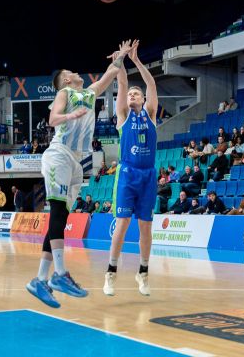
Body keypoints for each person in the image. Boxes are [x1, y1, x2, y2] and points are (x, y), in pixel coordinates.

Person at [25, 39, 132, 309]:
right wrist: (72, 117)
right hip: (59, 154)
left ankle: (40, 280)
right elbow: (53, 119)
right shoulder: (65, 93)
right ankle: (60, 274)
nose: (75, 73)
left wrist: (121, 56)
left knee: (60, 218)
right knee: (57, 213)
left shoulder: (90, 93)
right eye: (70, 73)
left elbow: (110, 73)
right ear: (65, 80)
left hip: (75, 161)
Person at [104, 39, 158, 297]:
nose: (132, 95)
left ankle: (143, 272)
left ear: (144, 99)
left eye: (137, 94)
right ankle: (111, 272)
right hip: (127, 175)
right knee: (122, 223)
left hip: (148, 176)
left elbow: (151, 84)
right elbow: (123, 83)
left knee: (146, 227)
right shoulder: (123, 117)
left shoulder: (151, 114)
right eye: (130, 95)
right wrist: (122, 60)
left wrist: (136, 60)